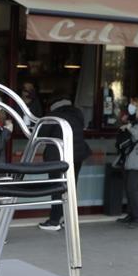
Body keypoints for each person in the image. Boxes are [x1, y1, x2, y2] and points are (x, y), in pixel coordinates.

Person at [39, 97, 92, 232]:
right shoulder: (78, 113)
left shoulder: (53, 115)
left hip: (58, 156)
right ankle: (67, 220)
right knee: (70, 188)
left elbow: (41, 134)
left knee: (56, 187)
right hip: (77, 155)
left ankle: (54, 220)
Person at [115, 95, 138, 228]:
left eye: (133, 104)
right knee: (129, 187)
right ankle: (131, 215)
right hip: (129, 159)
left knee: (132, 189)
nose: (130, 106)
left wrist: (130, 129)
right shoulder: (135, 120)